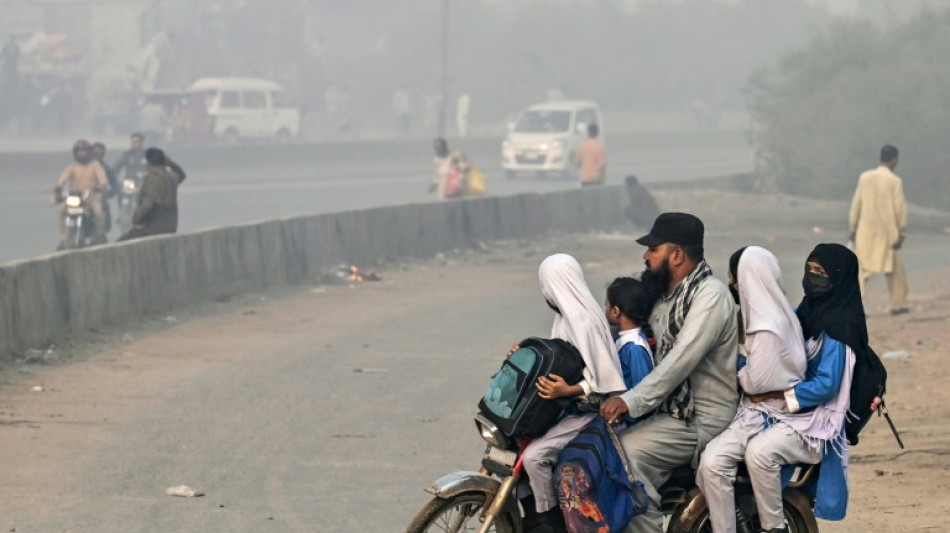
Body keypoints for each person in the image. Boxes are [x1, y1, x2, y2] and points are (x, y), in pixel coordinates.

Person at [599, 212, 739, 533]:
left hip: (698, 419)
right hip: (669, 410)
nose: (645, 256)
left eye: (653, 249)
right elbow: (618, 327)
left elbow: (679, 362)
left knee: (626, 458)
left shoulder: (710, 296)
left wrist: (629, 401)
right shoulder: (665, 296)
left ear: (677, 255)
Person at [741, 243, 861, 532]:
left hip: (819, 419)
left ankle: (774, 527)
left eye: (821, 272)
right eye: (809, 270)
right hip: (794, 409)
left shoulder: (841, 327)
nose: (812, 277)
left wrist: (773, 394)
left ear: (839, 278)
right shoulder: (806, 311)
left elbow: (826, 386)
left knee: (760, 452)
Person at [695, 246, 807, 533]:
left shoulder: (768, 326)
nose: (731, 284)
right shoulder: (773, 316)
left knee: (721, 461)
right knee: (711, 462)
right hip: (757, 408)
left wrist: (738, 372)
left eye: (734, 277)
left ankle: (772, 527)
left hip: (770, 414)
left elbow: (756, 382)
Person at [518, 253, 627, 533]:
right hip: (569, 407)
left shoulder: (583, 320)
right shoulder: (566, 317)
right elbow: (558, 358)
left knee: (534, 457)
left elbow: (604, 381)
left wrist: (568, 389)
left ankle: (548, 520)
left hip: (593, 413)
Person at [849, 144, 908, 315]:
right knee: (895, 270)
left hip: (865, 232)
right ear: (894, 160)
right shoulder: (895, 181)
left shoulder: (865, 177)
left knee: (861, 272)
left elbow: (856, 204)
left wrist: (852, 227)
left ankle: (856, 308)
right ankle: (897, 305)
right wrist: (902, 231)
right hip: (888, 233)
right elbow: (899, 209)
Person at [604, 276, 659, 425]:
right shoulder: (624, 339)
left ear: (616, 311)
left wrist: (627, 418)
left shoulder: (634, 348)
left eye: (606, 305)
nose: (605, 309)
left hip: (631, 422)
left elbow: (643, 394)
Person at [116, 147, 186, 242]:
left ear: (148, 163)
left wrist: (136, 220)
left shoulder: (153, 178)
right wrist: (170, 162)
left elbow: (148, 203)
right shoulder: (172, 177)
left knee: (120, 243)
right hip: (171, 226)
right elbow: (181, 174)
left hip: (153, 227)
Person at [53, 140, 110, 247]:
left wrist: (101, 186)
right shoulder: (72, 167)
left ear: (89, 152)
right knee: (61, 209)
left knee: (98, 212)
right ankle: (63, 238)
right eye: (79, 151)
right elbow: (63, 178)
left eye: (84, 151)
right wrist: (58, 187)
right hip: (74, 198)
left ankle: (99, 235)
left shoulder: (95, 165)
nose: (81, 153)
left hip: (91, 197)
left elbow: (103, 180)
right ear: (75, 153)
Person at [92, 142, 119, 235]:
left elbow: (115, 185)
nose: (97, 154)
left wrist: (107, 194)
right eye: (95, 152)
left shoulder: (106, 168)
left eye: (100, 152)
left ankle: (101, 234)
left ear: (103, 154)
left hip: (99, 198)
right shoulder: (82, 166)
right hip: (83, 198)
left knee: (103, 210)